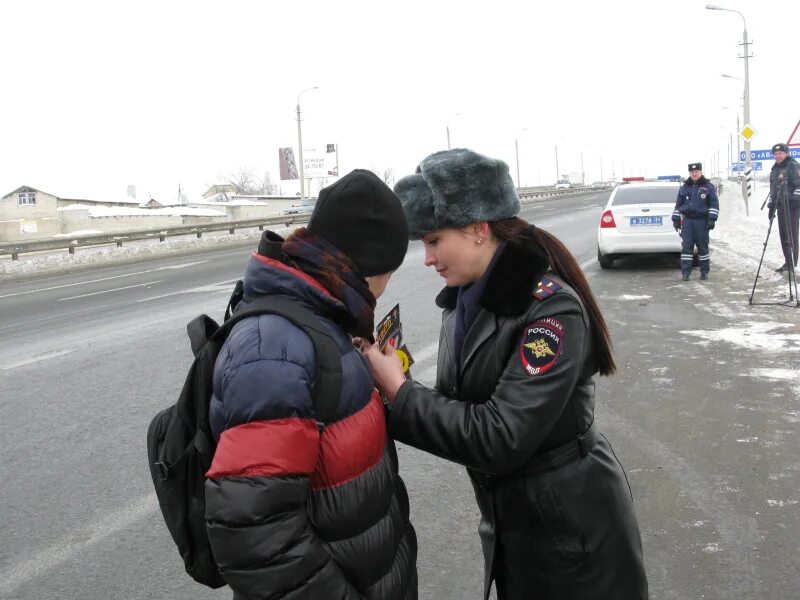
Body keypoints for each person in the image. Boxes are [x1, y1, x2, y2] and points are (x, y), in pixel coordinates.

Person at [361, 149, 648, 600]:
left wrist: (398, 391)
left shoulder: (549, 309)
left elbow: (500, 435)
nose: (428, 259)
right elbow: (457, 409)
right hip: (515, 528)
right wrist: (389, 388)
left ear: (478, 229)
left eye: (435, 241)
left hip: (574, 538)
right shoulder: (462, 302)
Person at [204, 170, 418, 599]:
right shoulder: (275, 348)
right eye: (389, 271)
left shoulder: (324, 319)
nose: (386, 285)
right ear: (366, 264)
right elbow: (256, 534)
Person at [672, 162, 719, 281]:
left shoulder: (708, 187)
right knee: (686, 248)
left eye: (696, 172)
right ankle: (686, 273)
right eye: (692, 172)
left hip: (701, 221)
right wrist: (676, 219)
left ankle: (704, 272)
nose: (694, 174)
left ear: (700, 172)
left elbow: (714, 205)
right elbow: (678, 205)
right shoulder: (684, 188)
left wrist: (711, 220)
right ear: (689, 173)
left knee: (702, 248)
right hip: (687, 221)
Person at [767, 142, 800, 272]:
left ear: (786, 153)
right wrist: (771, 205)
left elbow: (799, 185)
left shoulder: (793, 165)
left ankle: (792, 263)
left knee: (791, 234)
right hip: (780, 205)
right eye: (775, 154)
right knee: (783, 234)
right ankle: (787, 261)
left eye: (780, 153)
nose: (777, 156)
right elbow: (773, 189)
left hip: (791, 205)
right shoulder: (774, 169)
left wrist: (796, 201)